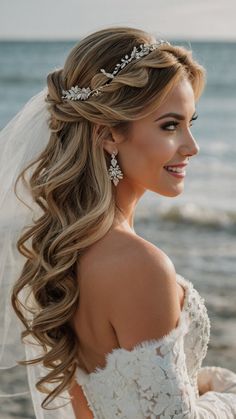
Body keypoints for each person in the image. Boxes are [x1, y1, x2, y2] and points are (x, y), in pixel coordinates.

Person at [1, 26, 236, 419]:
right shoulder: (139, 266)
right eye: (169, 125)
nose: (191, 146)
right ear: (109, 134)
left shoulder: (69, 251)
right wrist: (228, 395)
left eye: (190, 122)